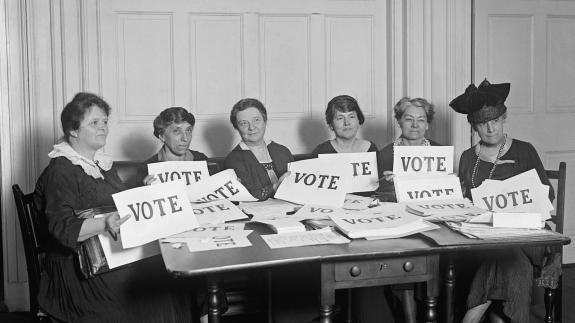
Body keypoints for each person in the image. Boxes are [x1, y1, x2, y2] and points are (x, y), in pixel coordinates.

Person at [33, 92, 193, 323]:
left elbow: (115, 200)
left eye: (105, 122)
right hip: (78, 269)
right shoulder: (62, 170)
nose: (103, 128)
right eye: (94, 123)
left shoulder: (100, 163)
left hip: (106, 253)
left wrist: (142, 188)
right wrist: (105, 223)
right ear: (73, 130)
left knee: (171, 271)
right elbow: (61, 227)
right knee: (160, 286)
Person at [450, 79, 559, 323]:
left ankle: (472, 315)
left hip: (529, 236)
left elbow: (547, 195)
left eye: (495, 121)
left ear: (503, 120)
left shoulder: (525, 150)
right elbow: (465, 202)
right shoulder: (468, 158)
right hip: (486, 240)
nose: (491, 129)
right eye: (483, 123)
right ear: (474, 127)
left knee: (505, 252)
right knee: (510, 262)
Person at [224, 98, 294, 200]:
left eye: (256, 120)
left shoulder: (283, 151)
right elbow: (246, 196)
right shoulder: (233, 160)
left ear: (265, 121)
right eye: (244, 123)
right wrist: (276, 186)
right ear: (237, 128)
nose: (251, 127)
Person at [377, 97, 441, 198]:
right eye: (409, 119)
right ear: (399, 122)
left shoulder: (440, 152)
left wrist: (451, 181)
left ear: (427, 124)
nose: (415, 125)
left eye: (421, 120)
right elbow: (377, 195)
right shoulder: (384, 155)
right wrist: (388, 187)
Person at [138, 107, 208, 186]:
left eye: (188, 130)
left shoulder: (201, 160)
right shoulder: (147, 169)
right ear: (162, 136)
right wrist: (146, 192)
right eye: (176, 131)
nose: (185, 138)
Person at [312, 95, 378, 155]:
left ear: (359, 120)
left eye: (351, 117)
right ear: (331, 125)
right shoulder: (321, 151)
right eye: (340, 118)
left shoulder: (371, 149)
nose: (347, 123)